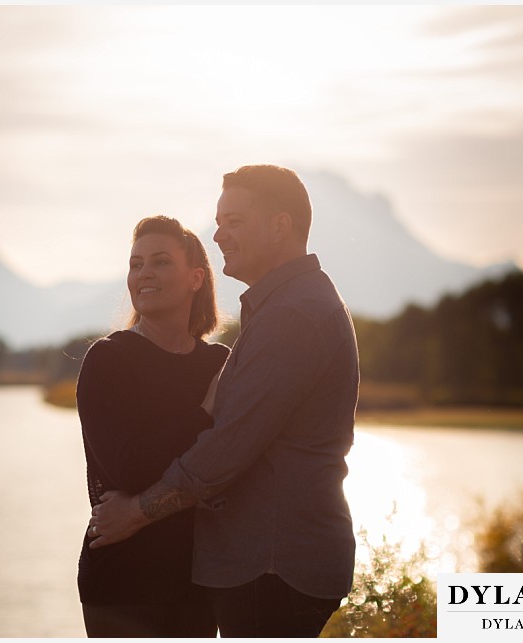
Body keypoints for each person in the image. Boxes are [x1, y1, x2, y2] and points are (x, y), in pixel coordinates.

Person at [88, 165, 360, 638]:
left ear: (280, 225)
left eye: (234, 221)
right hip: (251, 567)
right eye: (219, 222)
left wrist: (135, 513)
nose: (219, 235)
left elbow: (225, 450)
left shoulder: (291, 316)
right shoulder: (282, 308)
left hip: (272, 564)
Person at [76, 215, 228, 637]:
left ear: (195, 278)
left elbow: (228, 464)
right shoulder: (109, 359)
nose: (143, 274)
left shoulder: (218, 364)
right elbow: (128, 468)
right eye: (136, 263)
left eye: (160, 262)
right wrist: (204, 414)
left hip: (201, 580)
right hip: (123, 582)